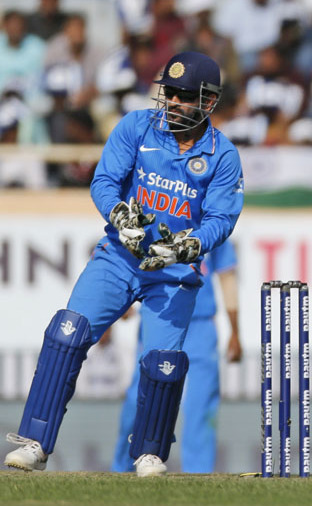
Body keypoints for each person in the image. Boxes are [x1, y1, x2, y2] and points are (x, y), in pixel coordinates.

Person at [4, 51, 244, 477]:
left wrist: (187, 246)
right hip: (119, 256)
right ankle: (36, 442)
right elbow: (104, 182)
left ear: (207, 101)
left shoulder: (222, 155)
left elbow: (221, 219)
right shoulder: (136, 126)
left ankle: (149, 453)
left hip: (172, 272)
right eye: (169, 92)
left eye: (183, 95)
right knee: (67, 332)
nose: (172, 102)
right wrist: (119, 215)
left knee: (162, 362)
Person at [111, 239, 242, 473]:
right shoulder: (154, 220)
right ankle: (123, 469)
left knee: (201, 403)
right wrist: (120, 297)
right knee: (139, 399)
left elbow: (227, 276)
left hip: (200, 324)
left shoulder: (212, 225)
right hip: (159, 318)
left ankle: (198, 473)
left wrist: (235, 332)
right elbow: (122, 258)